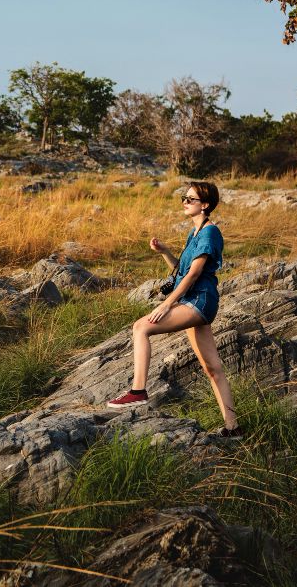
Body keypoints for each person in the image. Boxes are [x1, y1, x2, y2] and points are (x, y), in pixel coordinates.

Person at [107, 181, 241, 438]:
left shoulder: (210, 232)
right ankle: (233, 428)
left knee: (141, 326)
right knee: (212, 367)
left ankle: (138, 392)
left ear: (206, 205)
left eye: (191, 199)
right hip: (194, 299)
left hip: (199, 300)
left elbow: (194, 273)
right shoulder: (195, 233)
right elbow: (180, 271)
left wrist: (167, 304)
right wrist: (165, 251)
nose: (185, 202)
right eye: (184, 197)